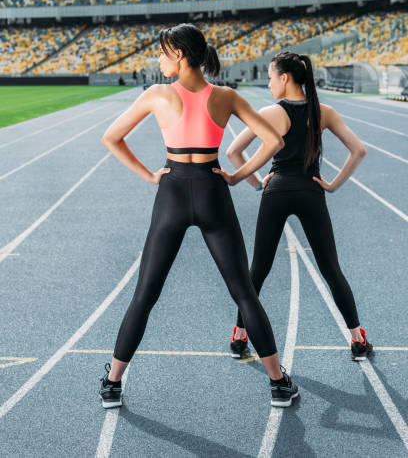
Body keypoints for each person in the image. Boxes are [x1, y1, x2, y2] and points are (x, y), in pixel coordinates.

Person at [98, 24, 299, 410]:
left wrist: (149, 175)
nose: (159, 60)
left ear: (179, 54)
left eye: (162, 52)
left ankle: (112, 383)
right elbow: (274, 141)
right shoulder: (224, 96)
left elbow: (110, 137)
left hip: (172, 191)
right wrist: (238, 175)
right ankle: (278, 383)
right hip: (212, 190)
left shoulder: (157, 94)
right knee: (243, 292)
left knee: (144, 294)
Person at [226, 51, 373, 363]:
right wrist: (332, 185)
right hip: (311, 191)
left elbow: (233, 151)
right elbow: (358, 150)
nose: (268, 84)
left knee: (259, 269)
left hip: (276, 190)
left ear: (284, 78)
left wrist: (256, 182)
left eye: (269, 77)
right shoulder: (325, 112)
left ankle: (239, 335)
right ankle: (357, 338)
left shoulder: (270, 112)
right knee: (331, 269)